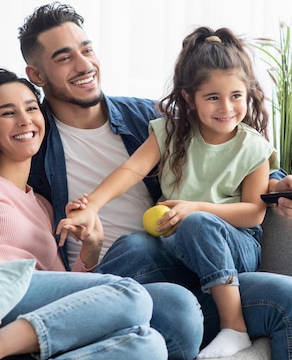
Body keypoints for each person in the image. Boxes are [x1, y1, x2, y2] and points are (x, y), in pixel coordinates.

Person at [0, 2, 292, 360]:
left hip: (190, 257)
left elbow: (219, 147)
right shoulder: (30, 138)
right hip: (115, 273)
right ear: (37, 75)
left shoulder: (146, 117)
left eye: (85, 48)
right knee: (142, 259)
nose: (82, 63)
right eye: (63, 57)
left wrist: (280, 184)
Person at [0, 69, 168, 360]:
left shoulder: (43, 205)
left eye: (31, 108)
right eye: (8, 113)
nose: (25, 119)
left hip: (29, 314)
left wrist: (90, 251)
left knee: (149, 344)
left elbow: (65, 288)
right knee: (132, 296)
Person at [57, 26, 279, 358]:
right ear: (190, 98)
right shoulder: (171, 132)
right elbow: (132, 170)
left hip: (233, 248)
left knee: (198, 223)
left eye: (236, 96)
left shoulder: (254, 148)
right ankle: (69, 312)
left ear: (248, 94)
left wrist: (195, 209)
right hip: (178, 248)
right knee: (132, 244)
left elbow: (254, 212)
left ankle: (235, 327)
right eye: (213, 97)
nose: (227, 107)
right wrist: (93, 206)